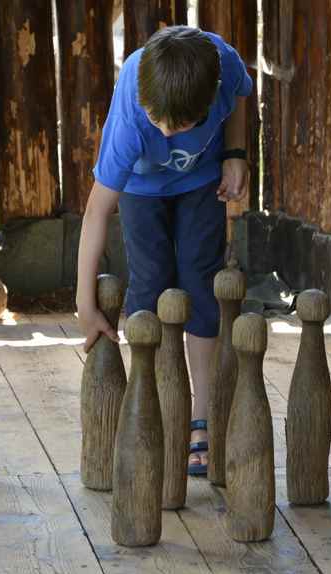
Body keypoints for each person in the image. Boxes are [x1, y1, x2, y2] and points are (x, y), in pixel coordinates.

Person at [76, 25, 252, 476]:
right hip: (141, 186)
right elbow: (96, 212)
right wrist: (83, 302)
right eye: (159, 122)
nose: (166, 132)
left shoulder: (223, 65)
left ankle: (202, 415)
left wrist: (236, 152)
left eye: (179, 126)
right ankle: (149, 408)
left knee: (200, 284)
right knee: (151, 284)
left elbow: (241, 95)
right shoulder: (133, 117)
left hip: (200, 184)